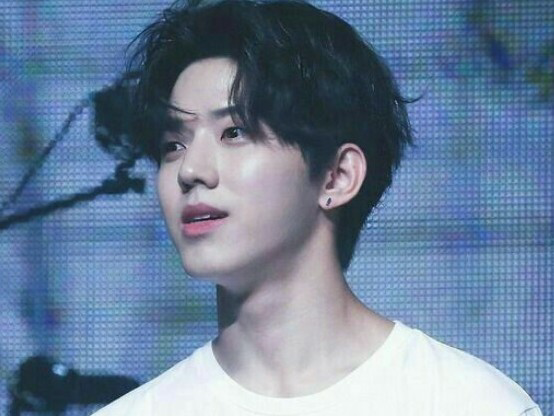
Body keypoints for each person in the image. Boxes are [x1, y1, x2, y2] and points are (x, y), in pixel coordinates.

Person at [93, 0, 542, 414]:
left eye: (235, 132)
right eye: (173, 144)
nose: (191, 170)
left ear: (337, 176)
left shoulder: (470, 403)